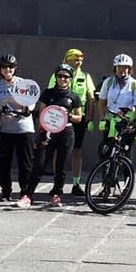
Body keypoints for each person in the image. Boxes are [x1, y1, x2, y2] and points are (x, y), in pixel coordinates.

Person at [0, 53, 37, 207]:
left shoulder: (23, 84)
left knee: (24, 163)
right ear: (0, 69)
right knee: (4, 162)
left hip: (23, 129)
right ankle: (5, 192)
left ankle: (25, 195)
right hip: (4, 129)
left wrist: (28, 109)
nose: (8, 69)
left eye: (11, 67)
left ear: (15, 68)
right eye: (5, 67)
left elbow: (31, 103)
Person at [49, 47, 97, 196]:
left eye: (81, 58)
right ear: (67, 59)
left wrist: (89, 118)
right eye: (76, 58)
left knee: (77, 150)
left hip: (78, 117)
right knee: (58, 151)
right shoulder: (58, 74)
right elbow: (50, 93)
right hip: (59, 117)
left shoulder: (85, 76)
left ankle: (76, 183)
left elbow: (91, 98)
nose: (79, 61)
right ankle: (58, 184)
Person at [36, 64, 84, 207]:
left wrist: (67, 115)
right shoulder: (48, 93)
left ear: (70, 79)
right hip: (49, 131)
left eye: (66, 77)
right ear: (56, 77)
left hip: (66, 132)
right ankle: (28, 193)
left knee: (61, 165)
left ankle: (57, 193)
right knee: (40, 162)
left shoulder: (74, 96)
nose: (63, 79)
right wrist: (42, 131)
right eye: (60, 76)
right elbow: (41, 113)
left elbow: (79, 117)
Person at [97, 53, 136, 152]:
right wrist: (102, 119)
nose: (122, 70)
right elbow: (101, 102)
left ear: (130, 69)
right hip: (110, 121)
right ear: (115, 68)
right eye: (119, 67)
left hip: (126, 122)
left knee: (124, 152)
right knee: (105, 152)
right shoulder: (108, 82)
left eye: (125, 67)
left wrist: (133, 123)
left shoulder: (135, 84)